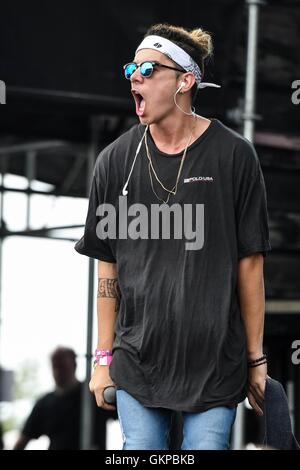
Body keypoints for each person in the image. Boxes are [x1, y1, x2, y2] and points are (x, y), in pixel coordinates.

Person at [75, 23, 271, 450]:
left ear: (185, 80)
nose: (134, 76)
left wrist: (256, 361)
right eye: (131, 67)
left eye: (147, 68)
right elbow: (107, 264)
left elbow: (250, 265)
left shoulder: (235, 155)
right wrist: (103, 358)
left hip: (214, 363)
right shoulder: (114, 161)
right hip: (137, 363)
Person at [13, 347, 116, 450]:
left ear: (74, 366)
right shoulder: (44, 403)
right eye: (55, 367)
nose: (58, 372)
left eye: (62, 367)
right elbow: (23, 440)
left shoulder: (93, 393)